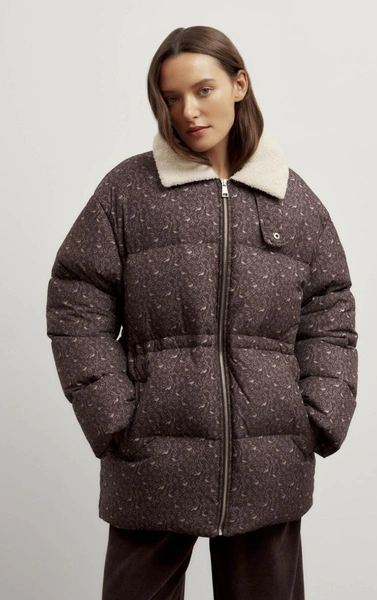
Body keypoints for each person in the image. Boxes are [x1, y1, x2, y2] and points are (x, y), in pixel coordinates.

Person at [46, 25, 359, 600]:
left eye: (203, 90)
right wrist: (113, 414)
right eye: (171, 97)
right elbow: (76, 299)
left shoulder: (293, 200)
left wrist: (318, 413)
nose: (187, 111)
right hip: (153, 457)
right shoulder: (129, 191)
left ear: (240, 85)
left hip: (269, 459)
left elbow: (330, 313)